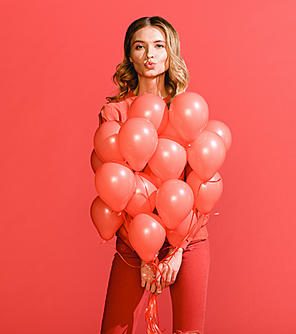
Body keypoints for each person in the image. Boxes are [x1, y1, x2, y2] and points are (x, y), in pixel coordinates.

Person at [99, 16, 210, 334]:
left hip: (188, 240)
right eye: (140, 46)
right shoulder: (115, 113)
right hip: (134, 239)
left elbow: (199, 183)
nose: (149, 54)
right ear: (130, 55)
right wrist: (146, 256)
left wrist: (175, 253)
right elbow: (116, 186)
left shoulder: (187, 109)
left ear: (170, 52)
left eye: (158, 46)